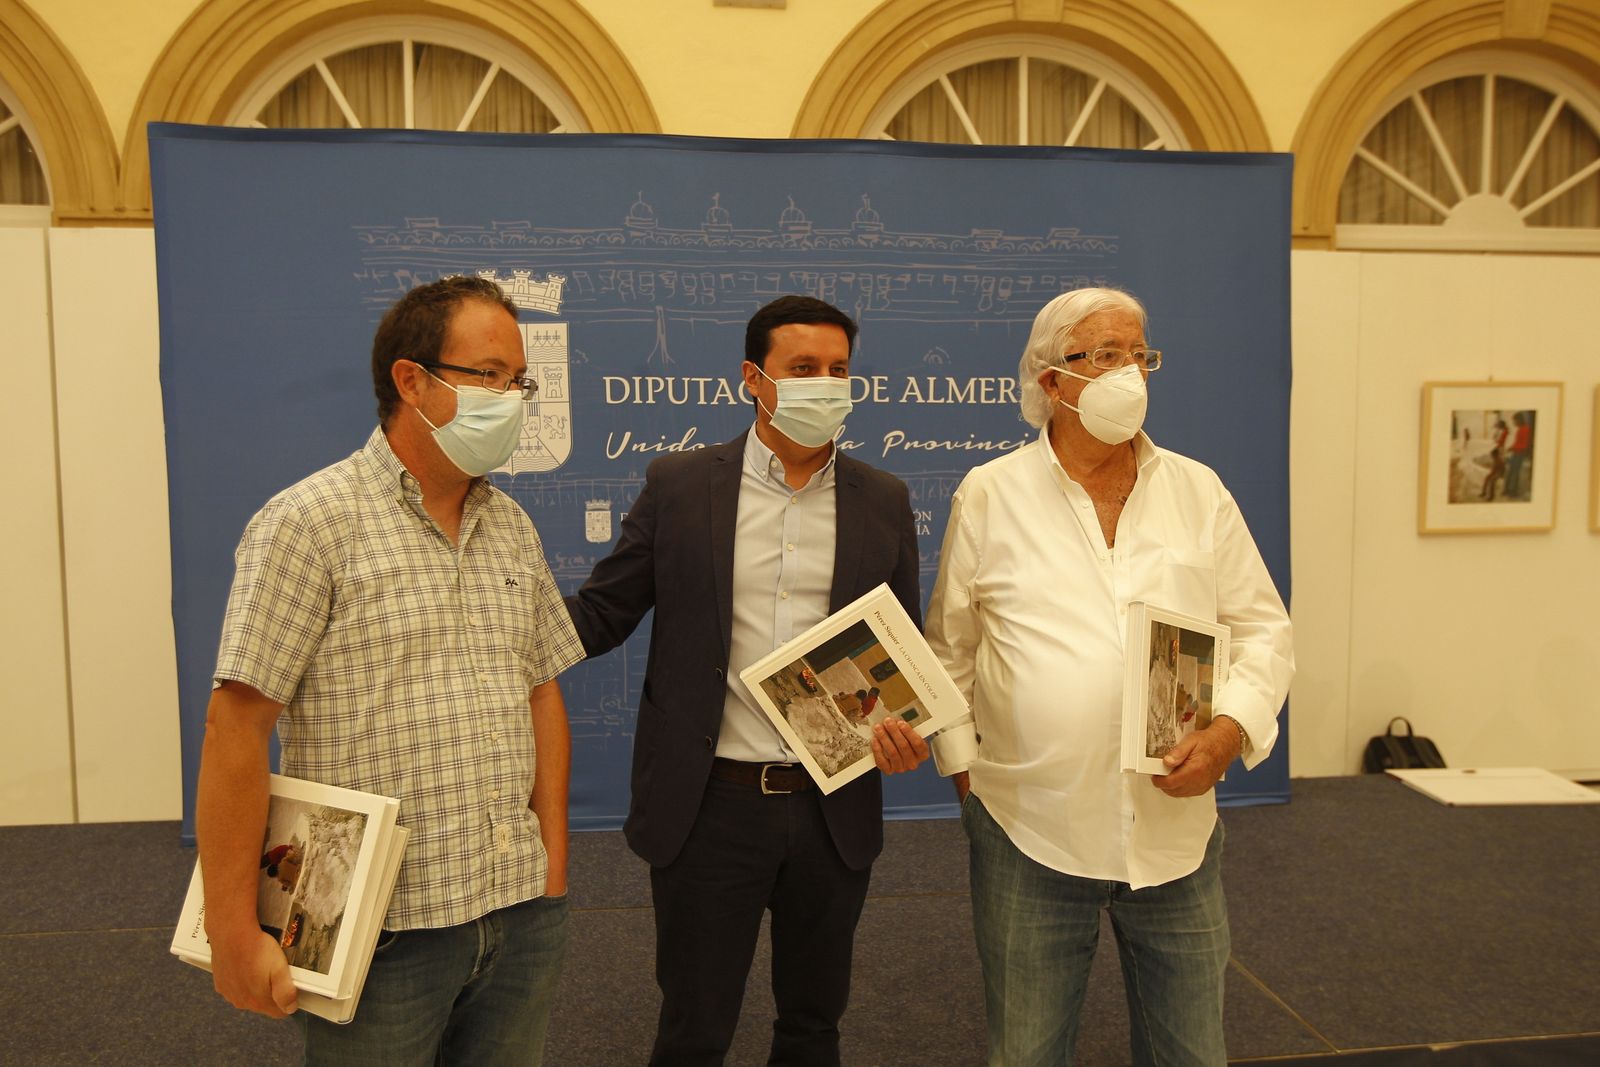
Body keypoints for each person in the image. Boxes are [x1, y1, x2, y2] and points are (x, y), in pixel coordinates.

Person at [195, 275, 584, 1065]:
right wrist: (231, 927)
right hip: (382, 931)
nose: (511, 397)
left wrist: (552, 861)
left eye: (520, 380)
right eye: (489, 375)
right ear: (413, 379)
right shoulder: (308, 522)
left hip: (518, 912)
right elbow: (237, 726)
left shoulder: (509, 523)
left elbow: (541, 687)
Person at [926, 287, 1294, 1067]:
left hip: (1174, 838)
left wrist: (1229, 730)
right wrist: (969, 781)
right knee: (1026, 1052)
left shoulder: (1199, 490)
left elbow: (1264, 628)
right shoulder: (990, 496)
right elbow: (950, 651)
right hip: (1028, 830)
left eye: (1138, 354)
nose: (1130, 372)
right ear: (1051, 381)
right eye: (1103, 355)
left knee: (1191, 1051)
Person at [566, 294, 929, 1065]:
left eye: (839, 371)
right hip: (709, 807)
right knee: (694, 1028)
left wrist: (907, 727)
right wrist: (486, 633)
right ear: (753, 379)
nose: (825, 385)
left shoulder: (886, 500)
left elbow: (901, 653)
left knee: (814, 1022)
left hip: (833, 808)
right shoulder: (681, 485)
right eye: (804, 369)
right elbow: (602, 613)